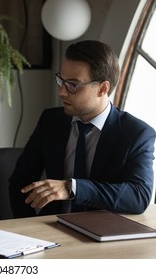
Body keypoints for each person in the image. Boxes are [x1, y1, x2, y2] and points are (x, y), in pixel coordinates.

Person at [9, 40, 156, 218]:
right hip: (51, 229)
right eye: (61, 80)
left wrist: (73, 188)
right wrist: (27, 228)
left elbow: (139, 196)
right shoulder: (51, 121)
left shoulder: (137, 134)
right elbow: (20, 181)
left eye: (72, 85)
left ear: (103, 88)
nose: (62, 92)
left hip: (104, 234)